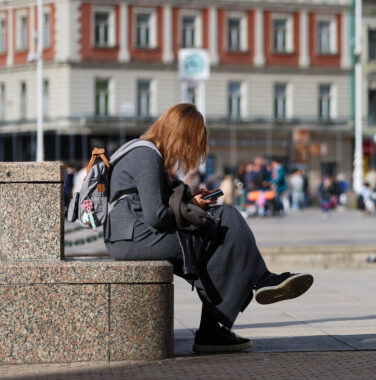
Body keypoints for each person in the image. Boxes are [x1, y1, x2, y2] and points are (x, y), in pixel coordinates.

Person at [104, 103, 313, 353]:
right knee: (223, 224)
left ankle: (221, 322)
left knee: (223, 227)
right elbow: (156, 215)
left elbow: (155, 207)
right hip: (133, 237)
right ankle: (241, 299)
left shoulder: (144, 152)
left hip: (133, 234)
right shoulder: (147, 155)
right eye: (192, 142)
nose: (190, 151)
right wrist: (192, 205)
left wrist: (191, 203)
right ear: (181, 135)